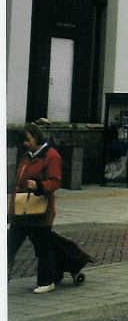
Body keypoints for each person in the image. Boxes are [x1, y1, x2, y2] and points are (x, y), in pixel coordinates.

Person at [8, 122, 62, 294]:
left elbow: (55, 182)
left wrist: (39, 186)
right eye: (23, 140)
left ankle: (46, 281)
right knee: (9, 244)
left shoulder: (51, 156)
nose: (25, 143)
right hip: (22, 210)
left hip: (40, 211)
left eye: (27, 139)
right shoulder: (27, 156)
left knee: (42, 248)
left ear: (36, 137)